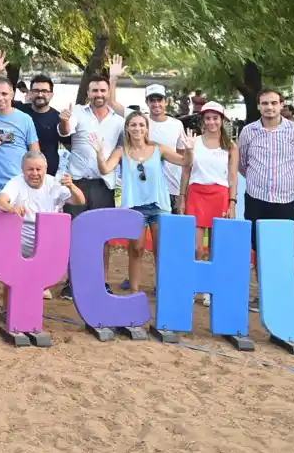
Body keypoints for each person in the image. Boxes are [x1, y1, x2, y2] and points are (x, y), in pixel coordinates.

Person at [90, 112, 190, 294]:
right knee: (136, 249)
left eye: (141, 125)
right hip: (134, 207)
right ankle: (134, 291)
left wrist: (189, 149)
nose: (137, 128)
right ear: (127, 128)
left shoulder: (158, 149)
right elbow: (105, 168)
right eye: (133, 125)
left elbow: (185, 161)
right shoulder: (122, 151)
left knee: (162, 250)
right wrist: (98, 153)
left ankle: (163, 288)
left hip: (159, 206)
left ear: (147, 129)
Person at [237, 88, 294, 310]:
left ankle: (293, 297)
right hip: (256, 199)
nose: (269, 107)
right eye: (264, 103)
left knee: (289, 251)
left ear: (281, 105)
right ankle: (265, 296)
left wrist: (290, 184)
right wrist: (258, 180)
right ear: (258, 106)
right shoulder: (248, 132)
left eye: (273, 103)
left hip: (286, 201)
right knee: (259, 249)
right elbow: (243, 164)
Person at [58, 74, 125, 298]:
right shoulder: (77, 112)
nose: (98, 95)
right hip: (77, 183)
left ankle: (101, 281)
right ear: (88, 93)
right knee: (74, 234)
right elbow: (65, 131)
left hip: (104, 184)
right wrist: (65, 121)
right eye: (94, 91)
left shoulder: (118, 121)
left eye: (102, 91)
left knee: (102, 236)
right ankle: (71, 282)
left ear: (108, 93)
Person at [0, 75, 40, 300]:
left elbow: (35, 152)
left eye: (5, 94)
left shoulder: (25, 120)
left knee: (22, 235)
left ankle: (20, 280)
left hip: (18, 188)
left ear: (13, 94)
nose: (0, 98)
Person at [0, 151, 84, 299]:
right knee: (11, 277)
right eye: (30, 169)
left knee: (38, 283)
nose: (35, 173)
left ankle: (35, 301)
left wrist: (72, 186)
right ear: (23, 170)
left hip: (46, 242)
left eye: (38, 169)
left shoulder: (54, 183)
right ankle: (7, 309)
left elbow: (79, 201)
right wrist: (12, 208)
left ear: (46, 169)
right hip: (20, 240)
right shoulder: (16, 182)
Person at [178, 100, 238, 305]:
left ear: (222, 120)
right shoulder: (194, 142)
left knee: (215, 247)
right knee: (196, 248)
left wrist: (232, 202)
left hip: (220, 195)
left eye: (215, 118)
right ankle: (195, 285)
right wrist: (182, 198)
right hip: (196, 193)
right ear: (202, 121)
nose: (211, 122)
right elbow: (186, 170)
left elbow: (232, 177)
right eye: (207, 118)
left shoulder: (230, 146)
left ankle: (210, 288)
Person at [138, 84, 188, 213]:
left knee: (171, 231)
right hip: (146, 189)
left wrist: (182, 193)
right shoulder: (140, 123)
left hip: (172, 188)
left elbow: (183, 160)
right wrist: (113, 79)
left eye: (159, 100)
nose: (156, 104)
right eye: (152, 100)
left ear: (166, 102)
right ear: (147, 102)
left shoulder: (176, 124)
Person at [16, 72, 65, 178]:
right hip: (18, 175)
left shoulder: (58, 118)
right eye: (36, 91)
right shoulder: (18, 110)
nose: (40, 94)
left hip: (46, 177)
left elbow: (70, 145)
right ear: (30, 93)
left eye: (44, 91)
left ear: (51, 94)